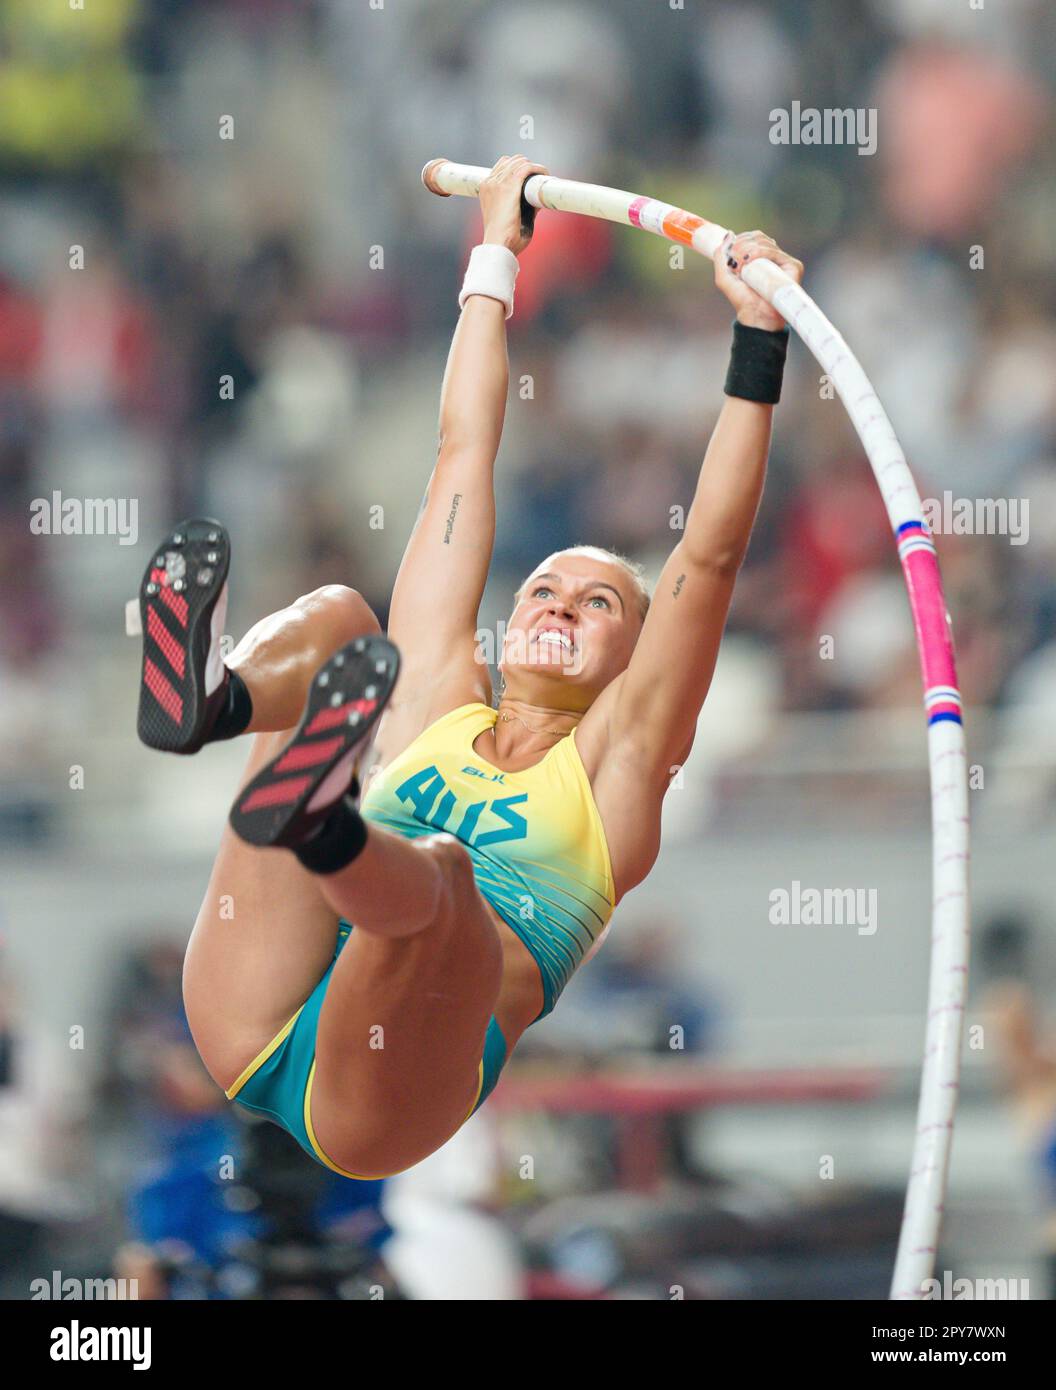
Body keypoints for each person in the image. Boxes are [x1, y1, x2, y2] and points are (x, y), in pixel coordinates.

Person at [134, 154, 802, 1181]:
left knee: (445, 874)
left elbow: (706, 557)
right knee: (346, 621)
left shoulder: (621, 770)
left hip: (384, 1097)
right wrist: (495, 250)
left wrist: (758, 341)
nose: (558, 604)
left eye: (598, 604)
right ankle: (209, 704)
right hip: (252, 1002)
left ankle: (324, 820)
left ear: (632, 663)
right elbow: (462, 450)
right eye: (542, 590)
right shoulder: (441, 696)